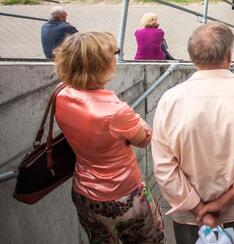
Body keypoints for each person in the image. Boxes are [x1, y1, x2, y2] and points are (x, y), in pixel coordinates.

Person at [152, 23, 234, 244]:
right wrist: (224, 202)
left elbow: (164, 168)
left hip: (191, 216)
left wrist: (201, 209)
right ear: (229, 56)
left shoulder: (170, 101)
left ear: (192, 57)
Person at [54, 32, 165, 243]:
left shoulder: (60, 94)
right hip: (125, 196)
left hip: (84, 194)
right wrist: (136, 118)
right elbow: (144, 139)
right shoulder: (117, 112)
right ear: (102, 66)